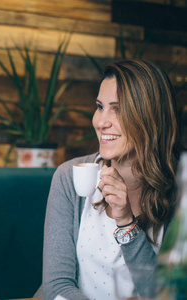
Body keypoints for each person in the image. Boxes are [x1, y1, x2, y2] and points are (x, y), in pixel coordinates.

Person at [40, 59, 181, 300]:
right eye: (100, 106)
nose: (101, 121)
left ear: (149, 117)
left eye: (118, 109)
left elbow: (166, 294)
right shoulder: (68, 177)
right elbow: (57, 285)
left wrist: (126, 222)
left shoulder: (180, 190)